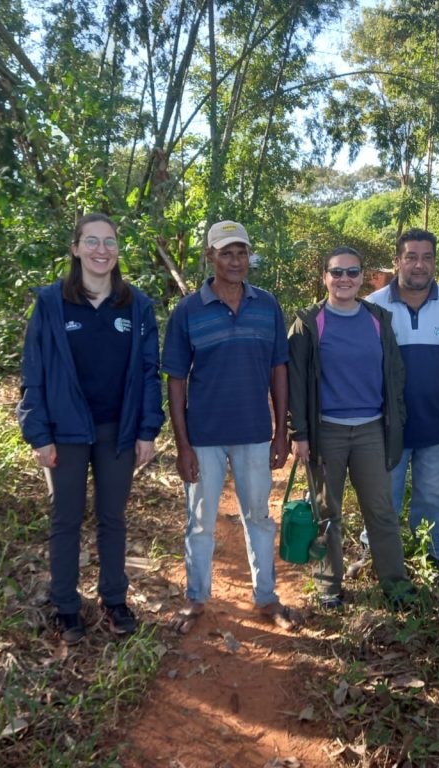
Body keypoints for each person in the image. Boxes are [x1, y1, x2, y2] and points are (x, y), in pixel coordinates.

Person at [17, 213, 165, 644]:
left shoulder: (136, 306)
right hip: (65, 430)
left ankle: (114, 599)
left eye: (110, 242)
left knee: (112, 516)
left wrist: (147, 430)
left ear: (118, 250)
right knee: (65, 518)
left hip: (117, 430)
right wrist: (38, 433)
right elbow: (33, 372)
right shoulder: (51, 303)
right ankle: (66, 605)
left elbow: (149, 372)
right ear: (76, 249)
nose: (102, 250)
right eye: (92, 242)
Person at [162, 220, 296, 634]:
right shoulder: (187, 311)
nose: (236, 260)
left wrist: (280, 431)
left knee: (258, 516)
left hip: (255, 432)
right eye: (226, 252)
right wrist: (182, 446)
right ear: (210, 257)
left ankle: (266, 597)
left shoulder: (267, 305)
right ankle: (196, 597)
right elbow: (177, 381)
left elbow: (279, 369)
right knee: (200, 521)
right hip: (203, 437)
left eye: (242, 252)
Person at [288, 246, 412, 609]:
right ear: (324, 277)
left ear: (362, 277)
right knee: (327, 511)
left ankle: (395, 583)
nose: (345, 279)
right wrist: (301, 434)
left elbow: (395, 374)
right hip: (327, 431)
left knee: (381, 509)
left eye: (352, 273)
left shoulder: (378, 319)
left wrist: (397, 419)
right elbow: (296, 383)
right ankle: (329, 586)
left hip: (372, 429)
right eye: (337, 272)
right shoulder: (310, 322)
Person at [365, 229, 439, 577]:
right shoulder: (372, 305)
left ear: (434, 262)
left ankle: (435, 558)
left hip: (438, 426)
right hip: (385, 429)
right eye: (411, 256)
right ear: (397, 260)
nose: (419, 264)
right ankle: (375, 560)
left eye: (427, 257)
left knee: (431, 498)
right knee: (383, 502)